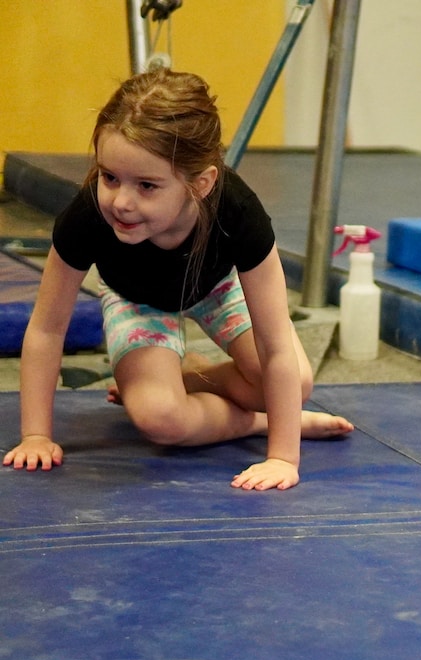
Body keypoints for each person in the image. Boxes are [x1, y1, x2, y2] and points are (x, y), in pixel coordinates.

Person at [3, 69, 351, 491]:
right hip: (135, 299)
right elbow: (46, 327)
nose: (121, 202)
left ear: (201, 183)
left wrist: (282, 457)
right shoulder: (87, 216)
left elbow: (275, 343)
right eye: (109, 177)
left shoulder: (238, 213)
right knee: (161, 419)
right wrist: (36, 435)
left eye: (147, 185)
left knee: (294, 381)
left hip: (216, 286)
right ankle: (251, 422)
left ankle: (192, 377)